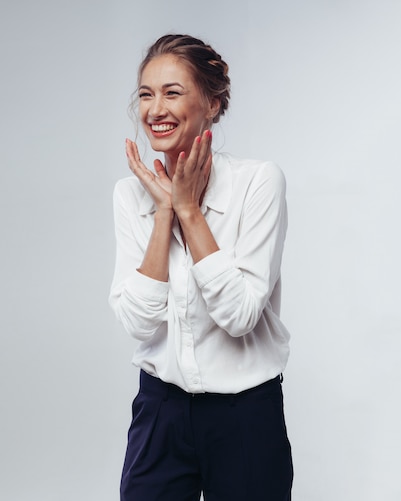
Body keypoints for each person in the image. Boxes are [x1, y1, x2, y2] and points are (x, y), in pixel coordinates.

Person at [109, 34, 293, 501]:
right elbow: (137, 320)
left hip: (245, 415)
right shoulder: (130, 195)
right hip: (160, 410)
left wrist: (188, 211)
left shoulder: (258, 183)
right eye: (146, 95)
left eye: (172, 92)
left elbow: (240, 315)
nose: (155, 109)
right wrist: (164, 213)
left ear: (212, 102)